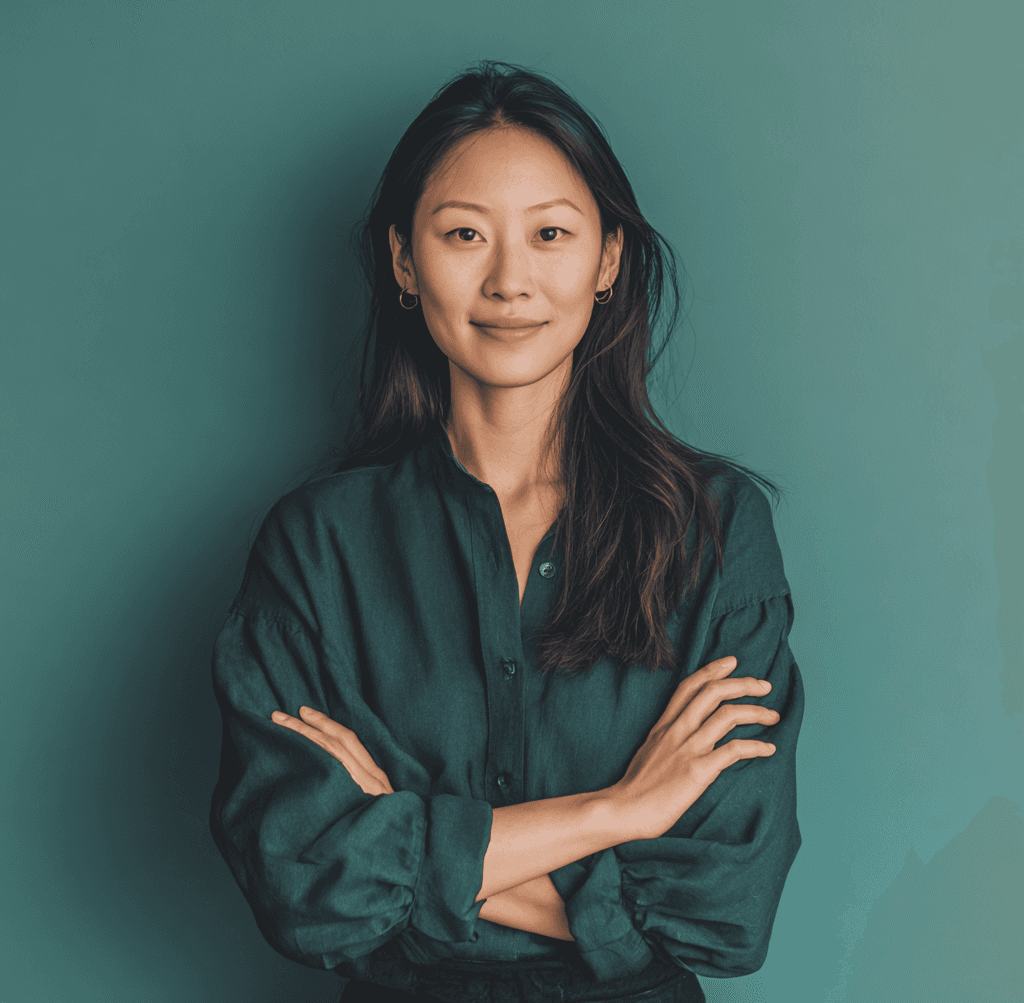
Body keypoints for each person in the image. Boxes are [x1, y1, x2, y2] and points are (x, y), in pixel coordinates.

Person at [209, 60, 804, 1003]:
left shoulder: (716, 531)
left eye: (551, 233)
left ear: (608, 259)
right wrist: (621, 811)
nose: (509, 281)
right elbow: (305, 885)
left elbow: (724, 907)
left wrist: (406, 845)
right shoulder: (317, 547)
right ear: (404, 261)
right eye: (464, 235)